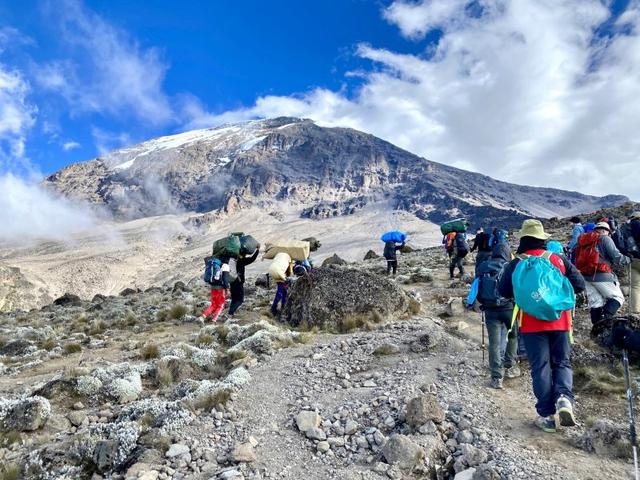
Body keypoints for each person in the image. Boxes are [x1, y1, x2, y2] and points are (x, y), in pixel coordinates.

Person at [498, 219, 585, 433]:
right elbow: (579, 285)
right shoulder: (557, 259)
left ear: (523, 239)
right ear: (542, 239)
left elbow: (503, 291)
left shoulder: (516, 263)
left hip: (531, 324)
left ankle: (547, 416)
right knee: (562, 363)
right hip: (561, 321)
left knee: (541, 367)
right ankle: (564, 398)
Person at [475, 240, 520, 389]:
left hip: (490, 309)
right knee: (513, 335)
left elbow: (478, 287)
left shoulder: (483, 266)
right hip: (508, 308)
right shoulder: (511, 266)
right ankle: (509, 365)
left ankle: (496, 378)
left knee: (494, 343)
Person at [575, 222, 630, 334]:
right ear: (606, 230)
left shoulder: (584, 241)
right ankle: (604, 322)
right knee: (618, 298)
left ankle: (596, 332)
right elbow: (616, 256)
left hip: (586, 276)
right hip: (602, 275)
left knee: (596, 303)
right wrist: (629, 259)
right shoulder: (605, 239)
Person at [229, 246, 260, 316]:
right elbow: (252, 258)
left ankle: (231, 312)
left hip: (232, 281)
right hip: (238, 282)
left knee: (234, 299)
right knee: (240, 300)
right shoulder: (241, 260)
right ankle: (231, 313)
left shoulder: (232, 260)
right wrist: (257, 250)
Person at [202, 256, 231, 323]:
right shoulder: (225, 265)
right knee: (220, 305)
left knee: (213, 305)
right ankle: (214, 319)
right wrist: (227, 289)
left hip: (213, 287)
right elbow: (225, 278)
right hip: (220, 289)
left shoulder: (215, 263)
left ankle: (203, 316)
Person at [629, 212, 640, 314]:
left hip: (633, 259)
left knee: (635, 286)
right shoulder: (639, 224)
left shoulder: (626, 228)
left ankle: (635, 310)